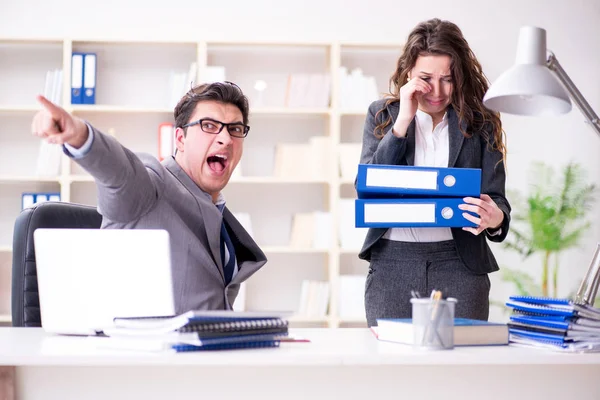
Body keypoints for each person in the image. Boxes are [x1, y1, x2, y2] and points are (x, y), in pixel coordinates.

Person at [30, 81, 267, 313]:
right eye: (209, 125)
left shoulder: (219, 215)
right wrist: (80, 135)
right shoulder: (152, 185)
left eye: (235, 129)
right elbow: (120, 173)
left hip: (210, 349)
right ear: (180, 140)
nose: (226, 139)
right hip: (147, 351)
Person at [358, 18, 511, 326]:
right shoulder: (382, 115)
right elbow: (368, 187)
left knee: (462, 368)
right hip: (393, 263)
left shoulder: (483, 121)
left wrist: (495, 218)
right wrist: (403, 121)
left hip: (460, 264)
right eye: (426, 78)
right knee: (392, 366)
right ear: (408, 75)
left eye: (448, 79)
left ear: (461, 77)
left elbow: (497, 201)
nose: (438, 91)